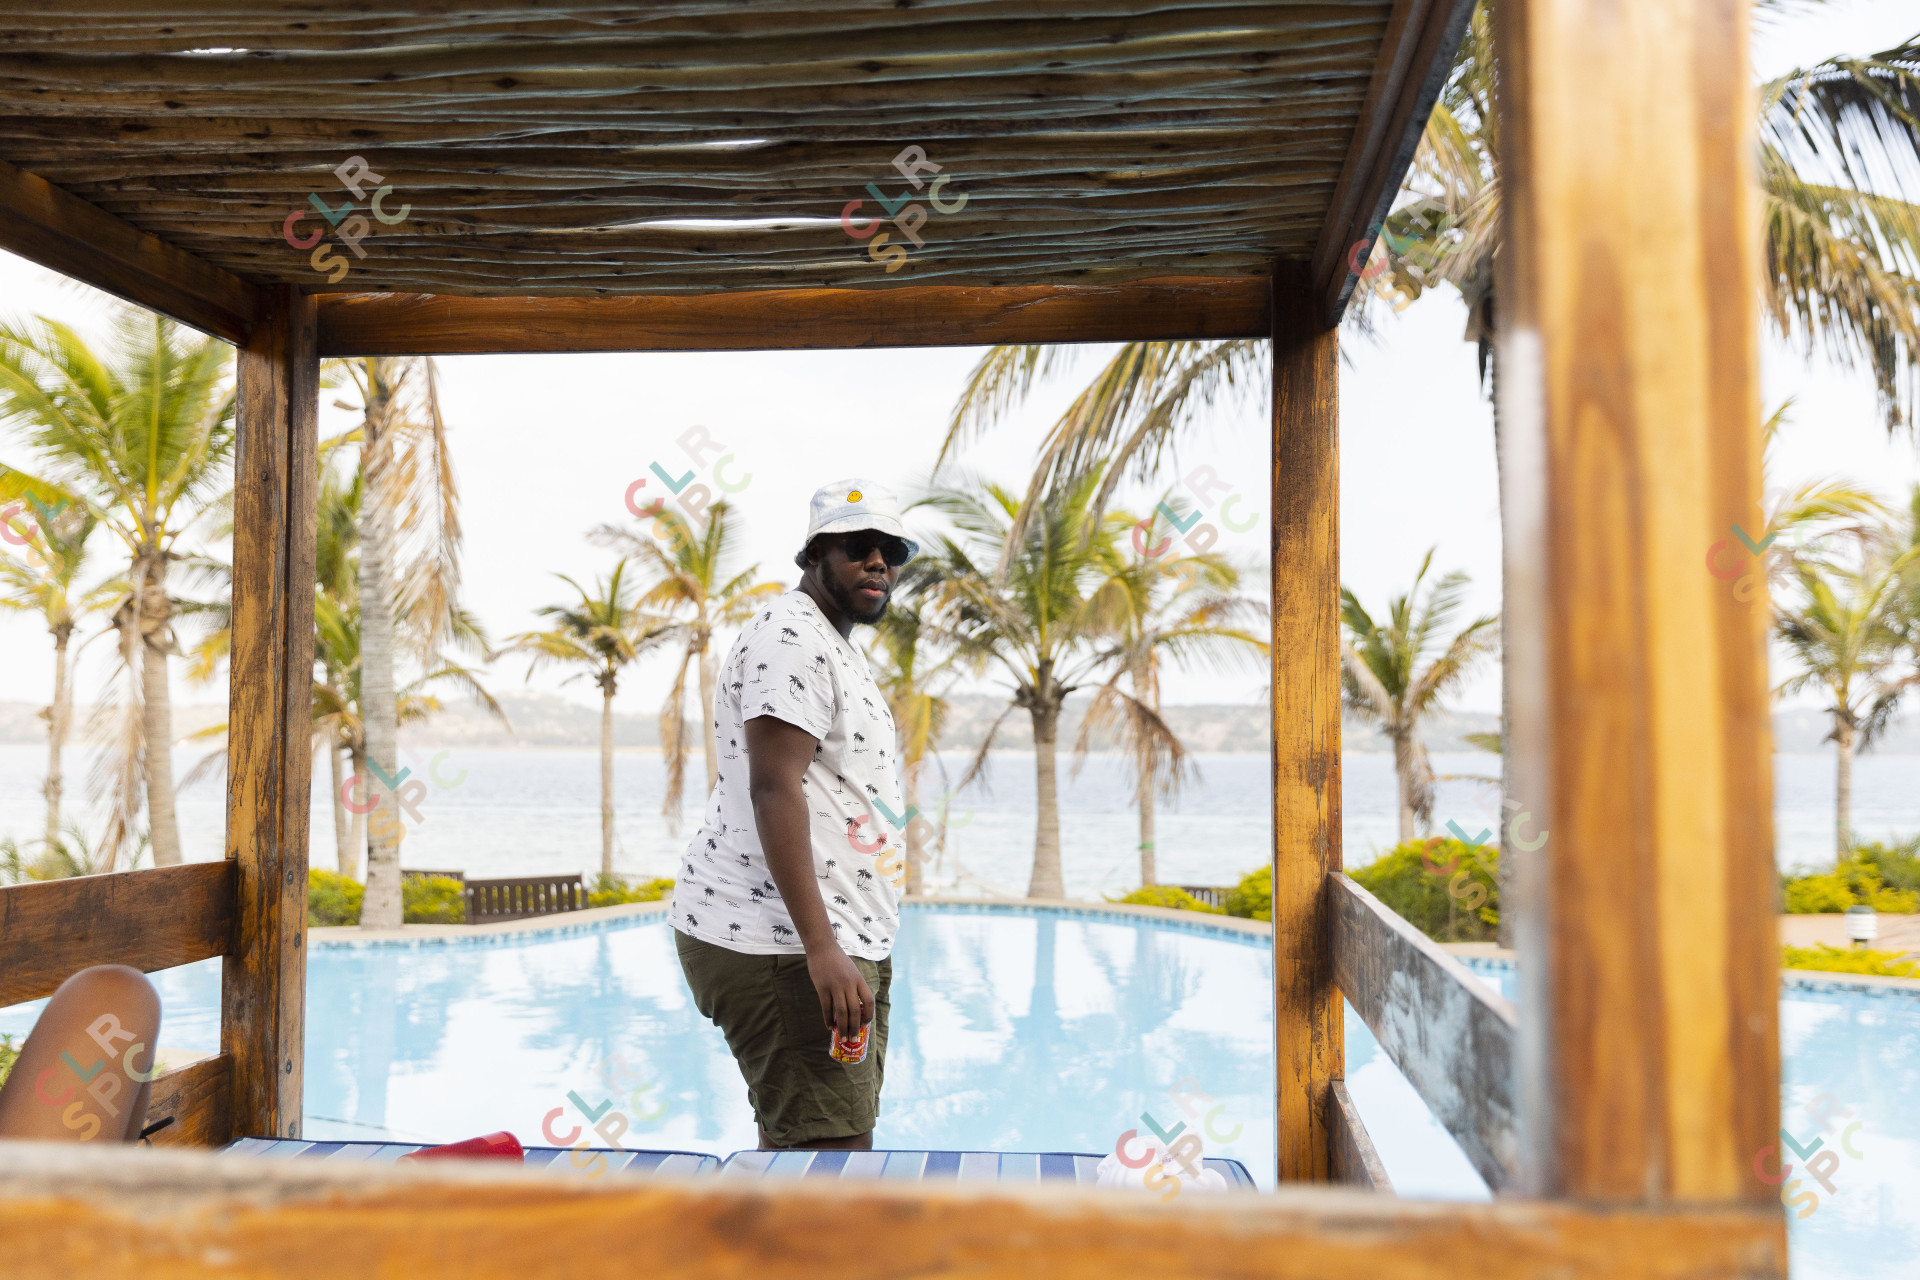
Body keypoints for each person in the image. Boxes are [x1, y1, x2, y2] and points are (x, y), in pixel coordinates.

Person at [670, 478, 916, 1151]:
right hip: (781, 942)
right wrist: (821, 948)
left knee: (823, 1147)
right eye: (857, 546)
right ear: (814, 555)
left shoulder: (832, 644)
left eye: (891, 549)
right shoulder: (791, 637)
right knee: (826, 1161)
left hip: (827, 936)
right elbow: (773, 788)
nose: (878, 562)